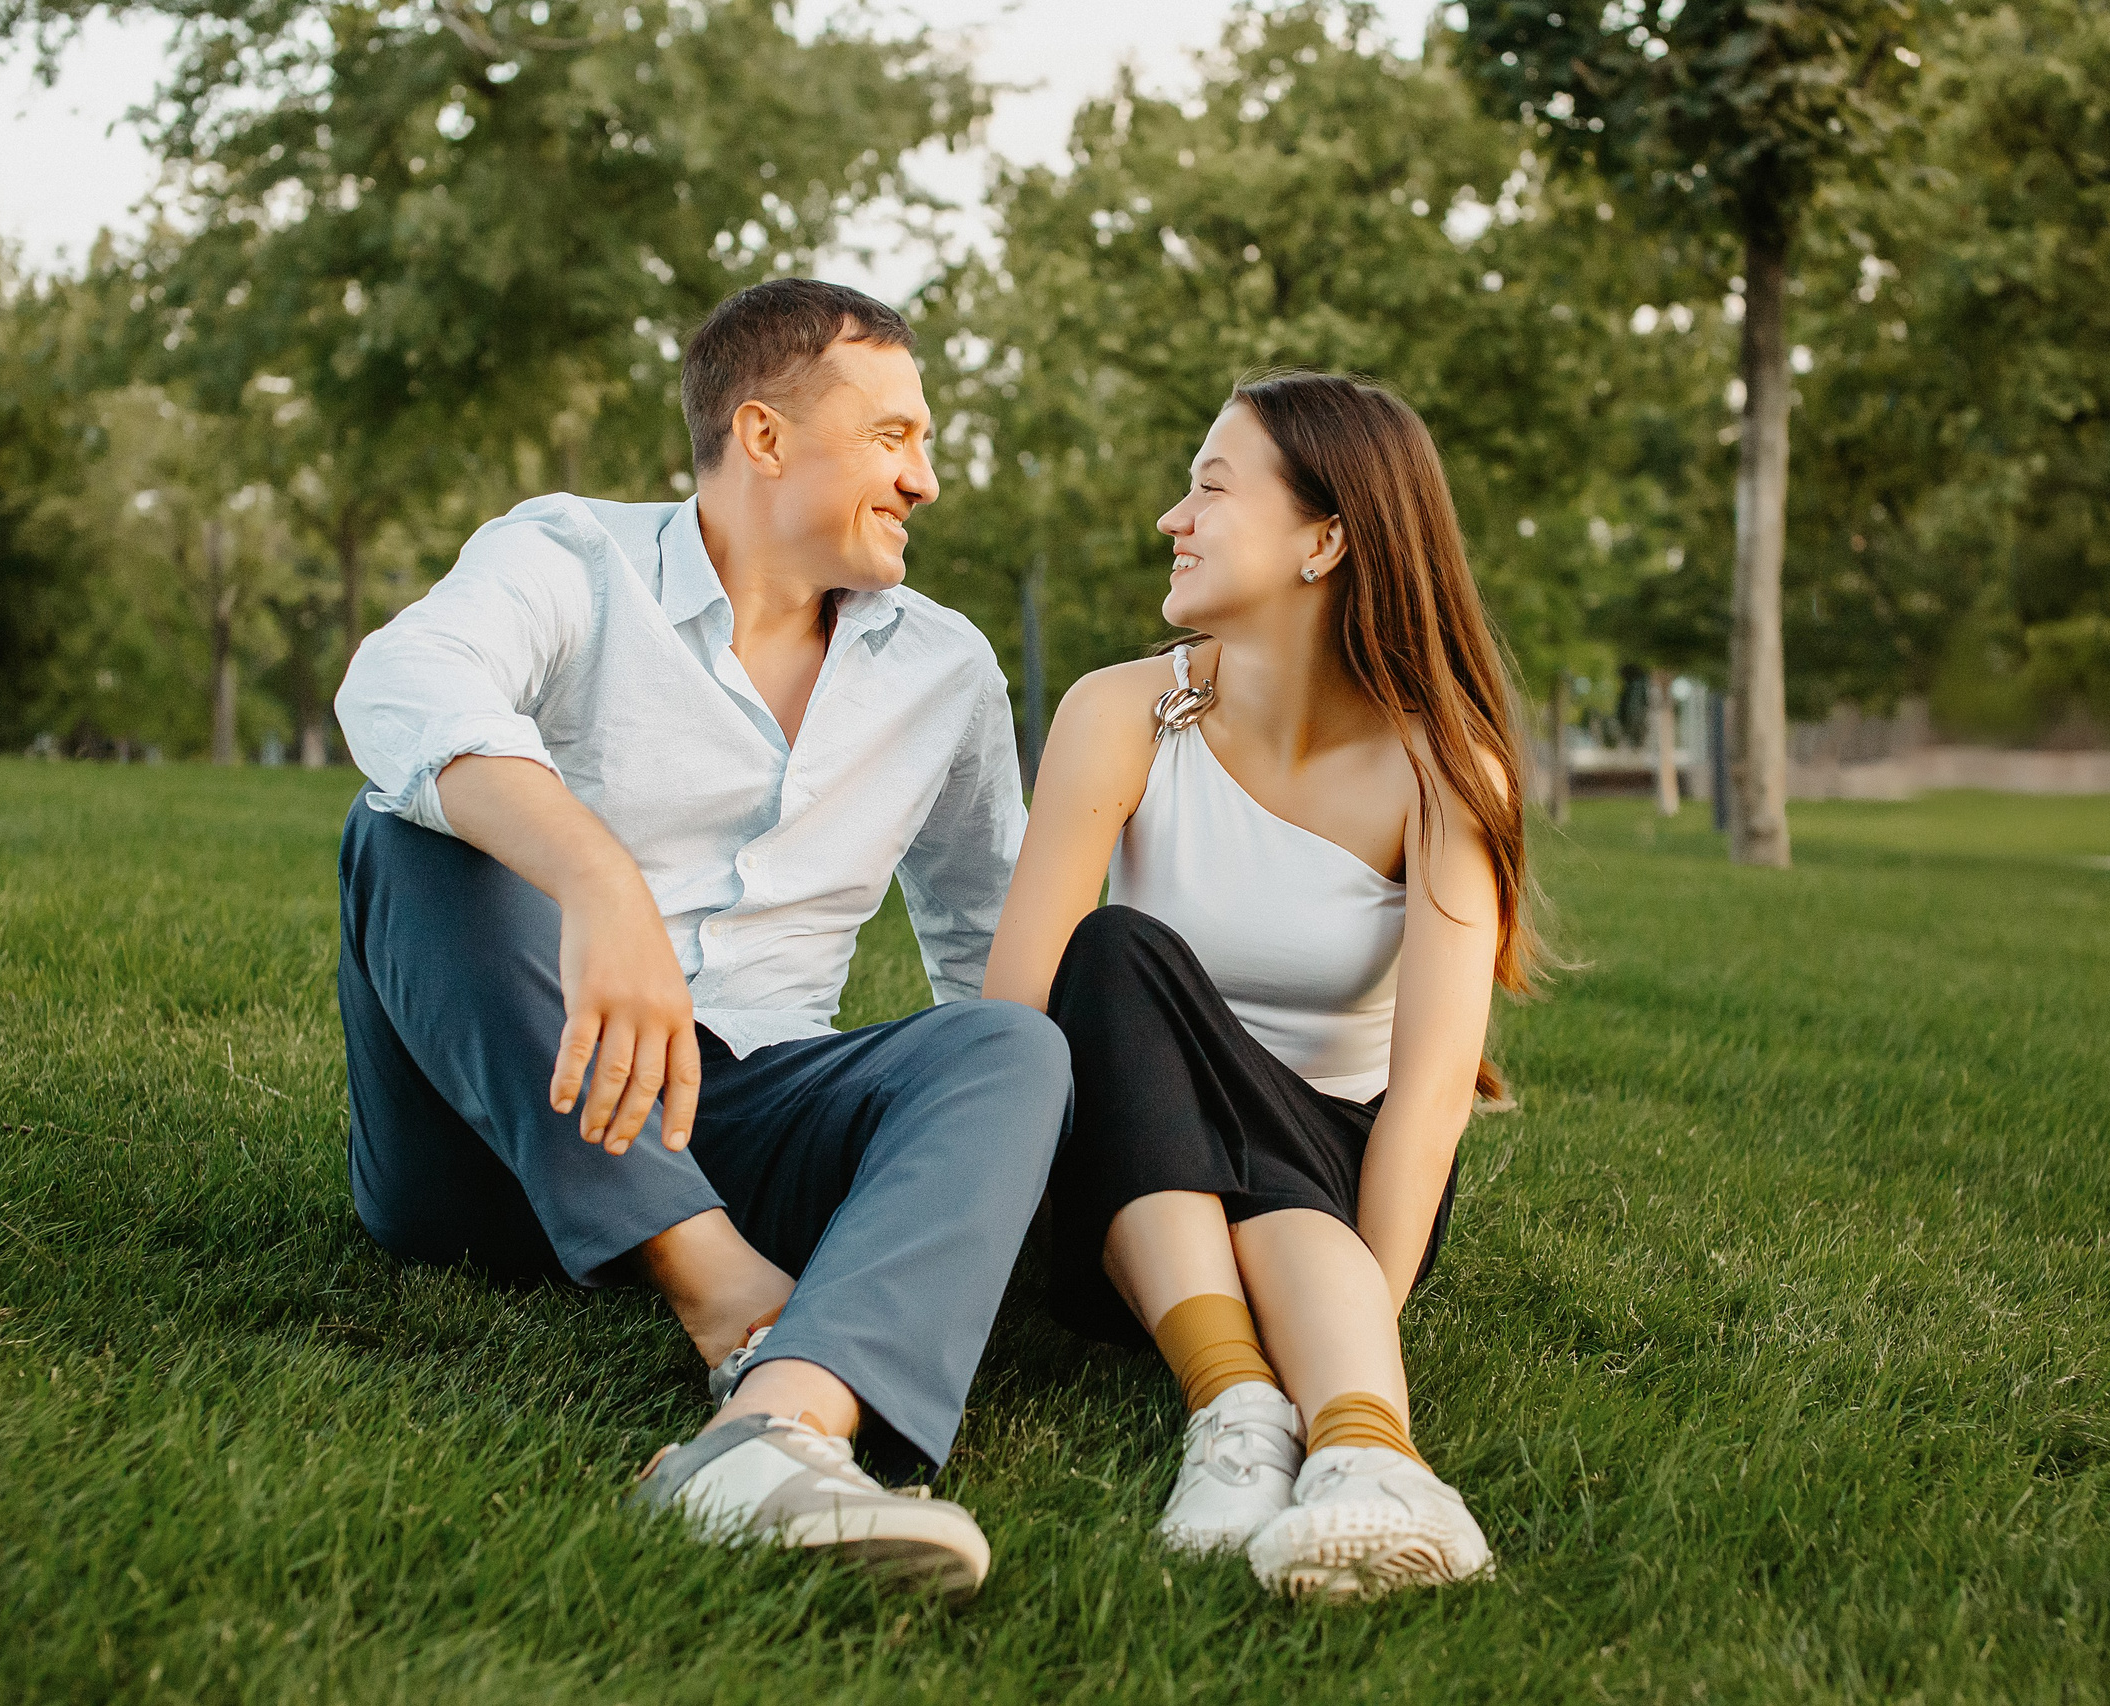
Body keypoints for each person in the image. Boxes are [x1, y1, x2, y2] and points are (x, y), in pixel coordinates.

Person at [333, 278, 1068, 1598]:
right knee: (407, 828)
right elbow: (400, 683)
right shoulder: (571, 556)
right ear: (766, 434)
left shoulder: (945, 669)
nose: (929, 479)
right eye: (895, 436)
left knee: (1009, 1044)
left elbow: (988, 940)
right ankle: (725, 1289)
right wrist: (599, 879)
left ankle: (772, 1429)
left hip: (752, 1104)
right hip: (497, 1118)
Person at [982, 371, 1539, 1599]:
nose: (1171, 518)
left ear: (1325, 539)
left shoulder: (1446, 768)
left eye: (1209, 487)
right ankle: (1233, 1406)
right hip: (1127, 1194)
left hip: (1337, 1197)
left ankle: (1367, 1451)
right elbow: (1013, 1023)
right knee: (1115, 956)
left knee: (1273, 1181)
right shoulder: (1120, 711)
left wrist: (1361, 1311)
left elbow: (1431, 1093)